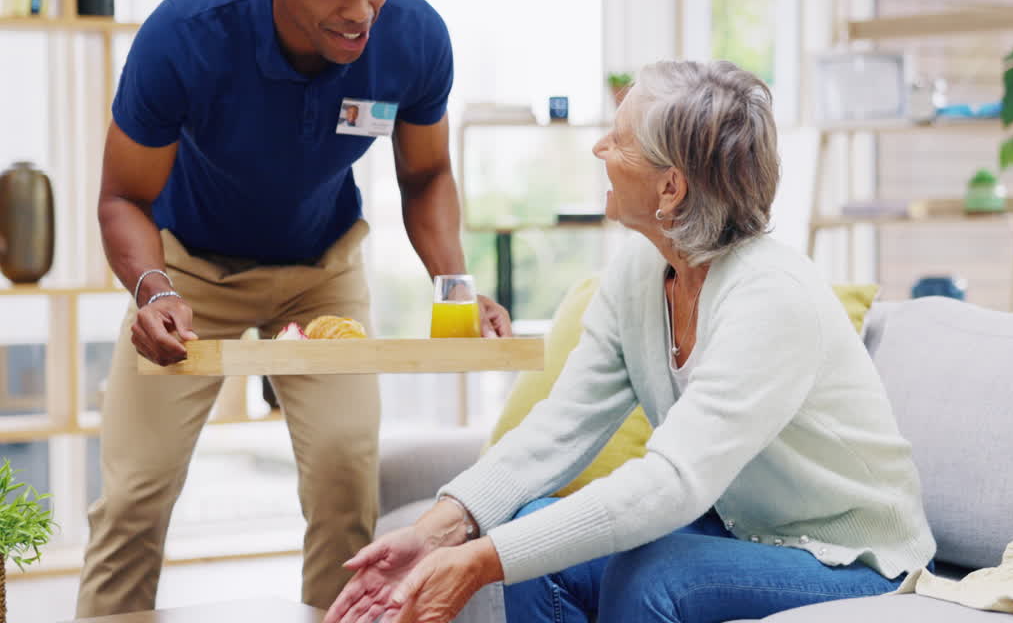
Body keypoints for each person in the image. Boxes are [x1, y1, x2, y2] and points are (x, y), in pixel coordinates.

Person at [325, 60, 936, 623]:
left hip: (856, 557)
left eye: (618, 140)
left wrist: (484, 560)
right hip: (744, 530)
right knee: (535, 530)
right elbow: (559, 428)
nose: (598, 147)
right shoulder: (639, 273)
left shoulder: (770, 299)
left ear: (670, 189)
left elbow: (673, 484)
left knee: (654, 577)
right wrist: (441, 527)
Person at [75, 0, 511, 616]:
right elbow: (122, 196)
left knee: (345, 479)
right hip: (186, 272)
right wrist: (153, 291)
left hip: (322, 274)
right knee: (133, 496)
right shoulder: (186, 37)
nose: (361, 10)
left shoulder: (415, 38)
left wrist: (456, 285)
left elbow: (426, 176)